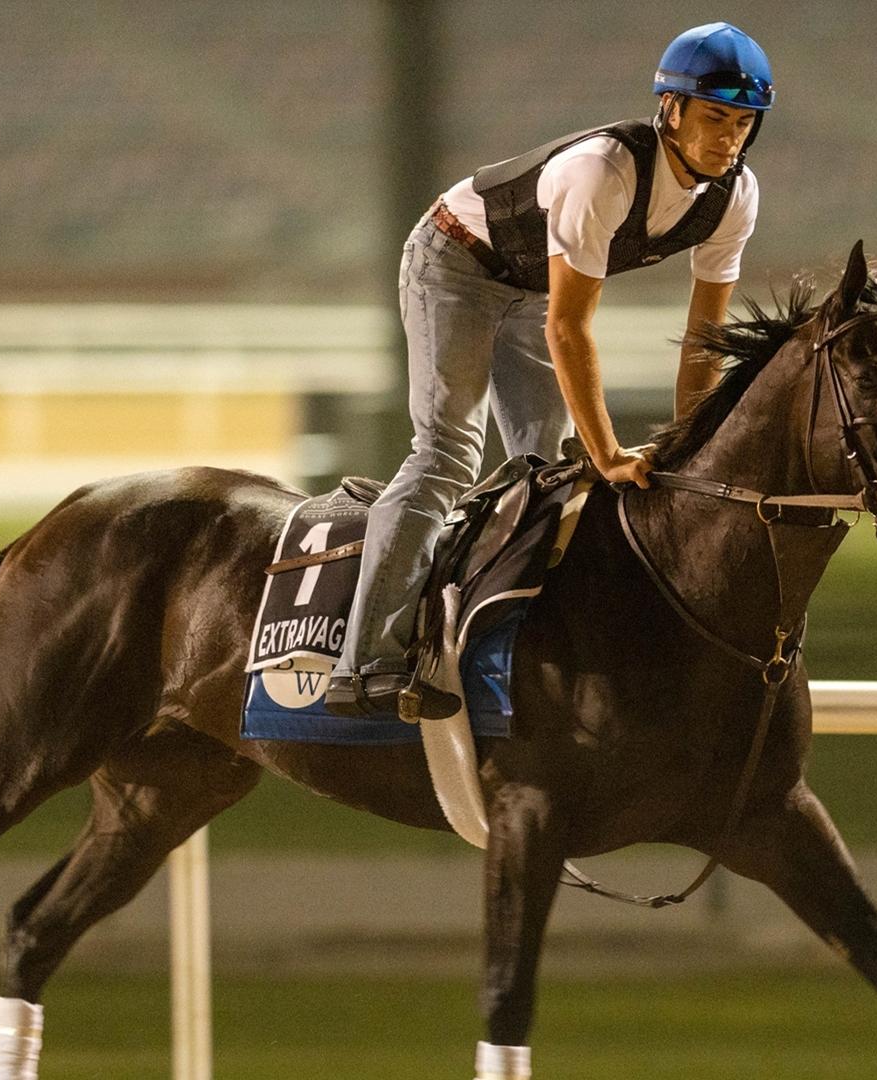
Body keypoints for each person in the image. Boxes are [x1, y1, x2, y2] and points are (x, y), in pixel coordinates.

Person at [325, 21, 774, 718]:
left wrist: (691, 441)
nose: (729, 138)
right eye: (715, 116)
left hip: (527, 285)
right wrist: (611, 452)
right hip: (454, 262)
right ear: (670, 109)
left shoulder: (735, 197)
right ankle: (365, 663)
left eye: (744, 123)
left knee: (551, 471)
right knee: (448, 453)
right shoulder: (604, 170)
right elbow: (569, 327)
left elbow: (702, 340)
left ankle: (508, 646)